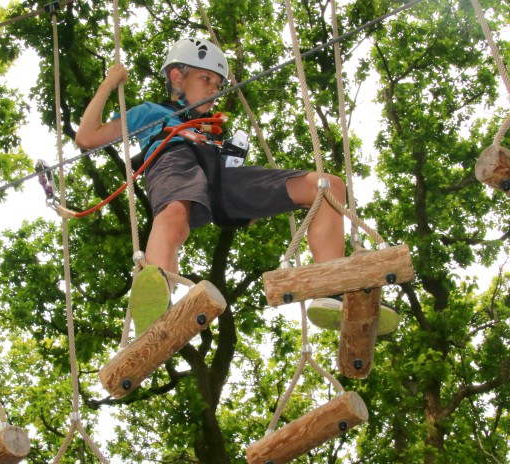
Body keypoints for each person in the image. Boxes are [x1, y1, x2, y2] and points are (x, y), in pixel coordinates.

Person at [75, 37, 399, 336]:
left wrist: (250, 200)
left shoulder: (213, 128)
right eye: (206, 80)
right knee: (174, 213)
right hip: (173, 158)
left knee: (327, 186)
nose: (214, 89)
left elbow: (230, 176)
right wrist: (109, 83)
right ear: (177, 77)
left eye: (217, 85)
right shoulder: (151, 113)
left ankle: (331, 287)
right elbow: (87, 137)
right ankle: (156, 302)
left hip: (218, 175)